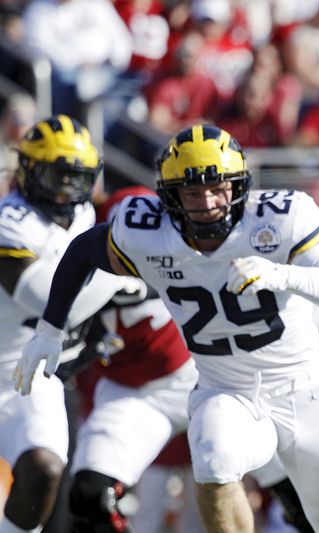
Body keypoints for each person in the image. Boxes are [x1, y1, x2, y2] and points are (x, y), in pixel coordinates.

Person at [15, 124, 319, 533]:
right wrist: (50, 328)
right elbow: (83, 251)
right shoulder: (148, 233)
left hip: (304, 389)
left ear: (238, 185)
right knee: (214, 456)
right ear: (169, 198)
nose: (207, 202)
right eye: (191, 192)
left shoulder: (275, 220)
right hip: (227, 389)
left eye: (217, 188)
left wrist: (284, 276)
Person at [0, 115, 133, 533]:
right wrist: (121, 278)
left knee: (45, 470)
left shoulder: (82, 215)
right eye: (56, 175)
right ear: (28, 168)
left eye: (77, 177)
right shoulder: (9, 222)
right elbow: (49, 302)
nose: (66, 189)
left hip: (28, 373)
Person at [66, 186, 199, 533]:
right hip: (130, 393)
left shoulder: (199, 255)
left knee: (287, 488)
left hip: (206, 381)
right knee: (92, 495)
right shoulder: (82, 265)